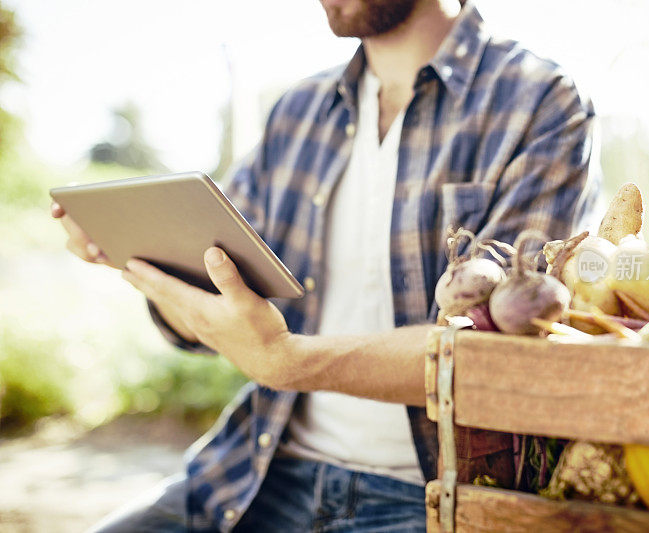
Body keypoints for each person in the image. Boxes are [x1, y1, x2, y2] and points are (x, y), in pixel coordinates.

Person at [52, 0, 597, 530]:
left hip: (428, 495)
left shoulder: (539, 101)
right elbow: (213, 300)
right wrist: (140, 259)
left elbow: (501, 348)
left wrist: (286, 360)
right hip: (261, 469)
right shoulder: (299, 111)